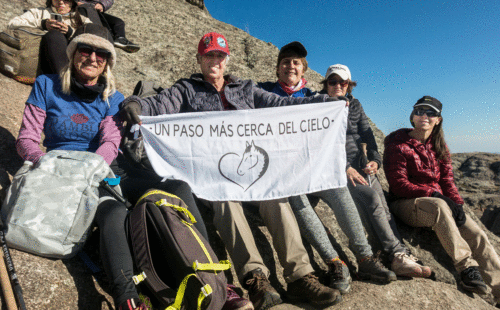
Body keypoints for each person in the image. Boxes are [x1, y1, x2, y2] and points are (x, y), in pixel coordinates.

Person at [120, 32, 344, 310]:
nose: (214, 61)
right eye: (209, 55)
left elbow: (282, 106)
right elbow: (157, 104)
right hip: (214, 176)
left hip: (253, 171)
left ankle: (300, 278)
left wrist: (321, 104)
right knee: (225, 203)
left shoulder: (246, 89)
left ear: (226, 60)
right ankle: (256, 280)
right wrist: (134, 104)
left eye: (219, 55)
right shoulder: (186, 90)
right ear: (200, 59)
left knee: (277, 197)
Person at [259, 42, 397, 295]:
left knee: (340, 192)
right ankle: (336, 263)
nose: (291, 66)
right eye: (286, 62)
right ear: (278, 69)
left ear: (304, 71)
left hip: (316, 166)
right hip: (285, 172)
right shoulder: (263, 92)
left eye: (296, 62)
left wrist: (344, 165)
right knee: (298, 201)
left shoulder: (317, 99)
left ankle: (365, 259)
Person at [384, 96, 500, 300]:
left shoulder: (439, 146)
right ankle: (467, 269)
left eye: (431, 113)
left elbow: (447, 181)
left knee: (476, 233)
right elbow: (398, 185)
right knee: (439, 206)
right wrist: (435, 195)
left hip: (437, 203)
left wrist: (458, 205)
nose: (424, 116)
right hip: (405, 204)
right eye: (420, 111)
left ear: (438, 119)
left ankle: (499, 288)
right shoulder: (398, 144)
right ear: (413, 115)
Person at [321, 64, 431, 278]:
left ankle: (398, 255)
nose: (337, 86)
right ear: (325, 84)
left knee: (382, 204)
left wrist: (375, 161)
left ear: (349, 85)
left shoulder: (354, 105)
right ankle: (396, 254)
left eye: (342, 82)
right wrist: (345, 168)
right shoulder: (318, 104)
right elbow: (318, 144)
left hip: (361, 166)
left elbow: (368, 136)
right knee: (371, 197)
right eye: (332, 82)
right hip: (337, 169)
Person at [7, 0, 93, 75]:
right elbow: (12, 24)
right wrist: (42, 24)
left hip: (70, 63)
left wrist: (70, 33)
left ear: (72, 2)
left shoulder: (81, 19)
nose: (61, 2)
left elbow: (93, 39)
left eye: (66, 0)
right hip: (39, 60)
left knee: (56, 36)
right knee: (53, 36)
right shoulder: (39, 12)